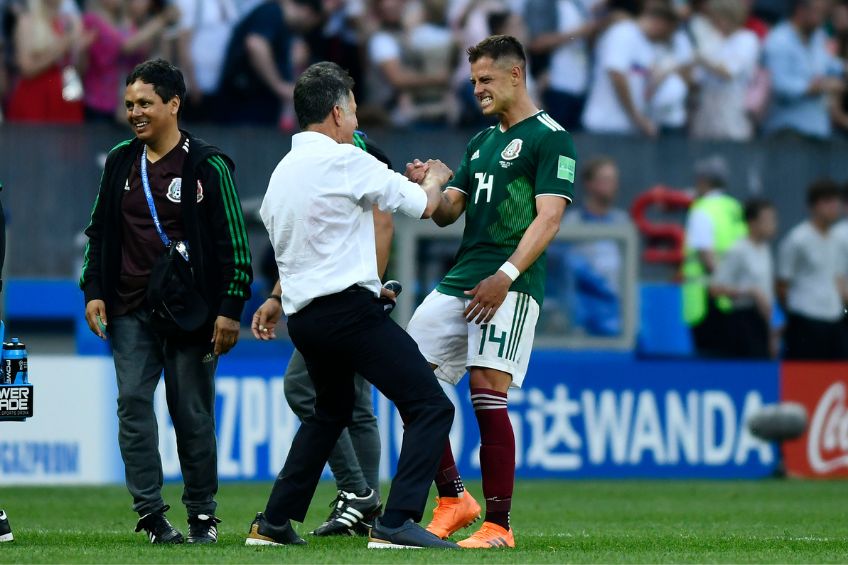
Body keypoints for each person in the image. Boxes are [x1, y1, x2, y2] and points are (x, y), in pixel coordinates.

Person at [246, 61, 458, 550]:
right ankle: (397, 521)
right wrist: (436, 178)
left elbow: (311, 241)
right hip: (348, 315)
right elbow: (424, 206)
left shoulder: (282, 174)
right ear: (338, 112)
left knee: (331, 410)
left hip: (304, 318)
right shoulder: (346, 160)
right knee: (428, 405)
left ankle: (274, 522)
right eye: (355, 110)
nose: (358, 121)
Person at [405, 35, 575, 549]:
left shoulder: (551, 138)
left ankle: (499, 526)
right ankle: (455, 497)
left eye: (486, 79)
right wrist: (434, 181)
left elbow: (549, 219)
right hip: (462, 278)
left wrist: (506, 275)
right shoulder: (480, 143)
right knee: (408, 375)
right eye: (474, 80)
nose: (477, 89)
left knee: (486, 391)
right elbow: (446, 213)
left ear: (516, 75)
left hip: (511, 283)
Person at [79, 58, 253, 544]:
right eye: (129, 104)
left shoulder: (207, 165)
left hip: (191, 313)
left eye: (145, 104)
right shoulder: (118, 161)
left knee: (190, 412)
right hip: (129, 308)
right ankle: (152, 514)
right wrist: (93, 291)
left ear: (173, 104)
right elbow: (99, 232)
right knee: (133, 403)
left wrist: (230, 308)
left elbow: (235, 243)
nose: (135, 113)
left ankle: (202, 515)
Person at [250, 131, 392, 537]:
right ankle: (366, 510)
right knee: (358, 405)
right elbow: (306, 242)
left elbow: (382, 223)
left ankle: (356, 490)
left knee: (302, 386)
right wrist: (278, 294)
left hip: (348, 304)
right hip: (342, 300)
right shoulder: (322, 162)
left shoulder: (355, 153)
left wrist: (368, 290)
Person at [681, 155, 746, 357]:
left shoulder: (702, 210)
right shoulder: (735, 208)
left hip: (707, 298)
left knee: (710, 359)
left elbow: (706, 254)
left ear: (702, 181)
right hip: (737, 297)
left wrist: (723, 282)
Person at [777, 180, 848, 360]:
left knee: (835, 376)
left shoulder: (837, 239)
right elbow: (782, 283)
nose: (834, 207)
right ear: (814, 206)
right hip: (805, 319)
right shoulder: (798, 239)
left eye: (836, 202)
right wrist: (792, 314)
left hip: (834, 318)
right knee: (804, 376)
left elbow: (838, 278)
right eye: (828, 202)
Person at [762, 0, 843, 139]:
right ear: (801, 10)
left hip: (817, 131)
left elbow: (830, 65)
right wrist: (817, 87)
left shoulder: (818, 36)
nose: (822, 18)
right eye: (818, 12)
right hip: (786, 132)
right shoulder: (779, 40)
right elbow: (779, 85)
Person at [710, 199, 778, 358]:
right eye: (767, 220)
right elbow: (715, 289)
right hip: (743, 320)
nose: (773, 225)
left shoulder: (764, 249)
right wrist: (749, 292)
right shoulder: (738, 250)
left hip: (762, 320)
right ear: (752, 223)